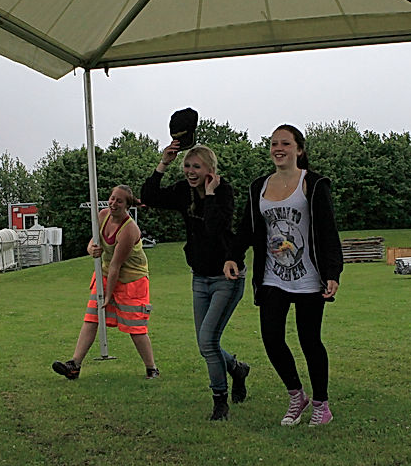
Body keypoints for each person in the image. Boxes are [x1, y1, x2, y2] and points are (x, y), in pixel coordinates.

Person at [227, 124, 342, 428]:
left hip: (308, 276)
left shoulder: (313, 184)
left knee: (309, 340)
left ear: (299, 150)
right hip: (272, 277)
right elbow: (247, 229)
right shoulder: (259, 187)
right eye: (274, 143)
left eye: (286, 144)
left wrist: (333, 272)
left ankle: (321, 403)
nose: (278, 149)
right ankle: (296, 396)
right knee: (272, 338)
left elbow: (328, 231)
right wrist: (233, 256)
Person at [141, 142, 249, 421]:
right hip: (200, 277)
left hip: (227, 276)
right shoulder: (183, 191)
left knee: (207, 341)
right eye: (187, 166)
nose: (190, 172)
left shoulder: (224, 192)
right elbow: (150, 196)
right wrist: (163, 163)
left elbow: (216, 228)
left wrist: (210, 193)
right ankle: (236, 369)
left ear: (210, 170)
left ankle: (219, 402)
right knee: (206, 344)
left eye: (196, 167)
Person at [52, 185, 158, 380]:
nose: (113, 203)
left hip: (131, 281)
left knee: (135, 328)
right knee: (91, 318)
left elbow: (117, 265)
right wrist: (91, 249)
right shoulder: (102, 215)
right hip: (105, 275)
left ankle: (151, 368)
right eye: (111, 198)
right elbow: (93, 242)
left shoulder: (129, 230)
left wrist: (108, 296)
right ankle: (74, 365)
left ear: (127, 205)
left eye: (119, 201)